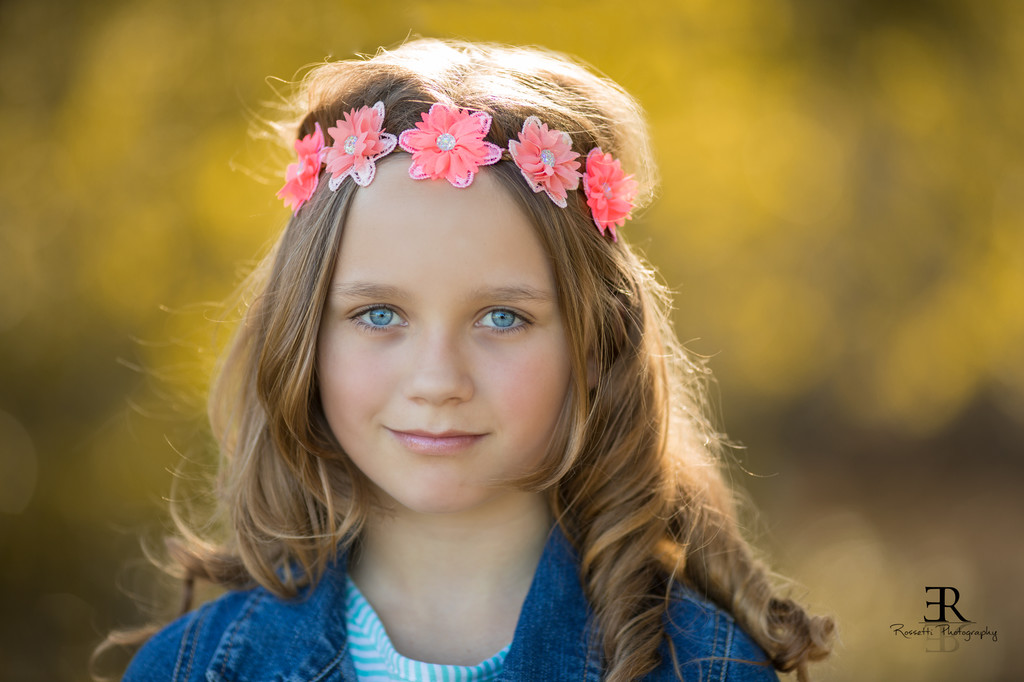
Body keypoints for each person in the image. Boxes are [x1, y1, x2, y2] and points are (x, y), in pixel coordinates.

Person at [105, 38, 834, 681]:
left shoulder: (706, 669)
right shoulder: (194, 669)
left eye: (502, 317)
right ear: (305, 338)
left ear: (595, 342)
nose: (437, 382)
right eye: (378, 315)